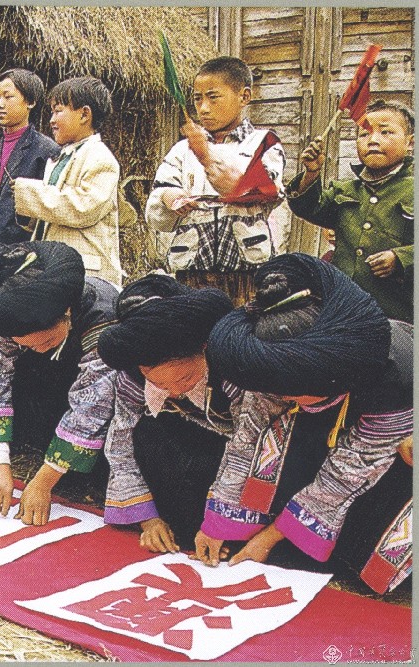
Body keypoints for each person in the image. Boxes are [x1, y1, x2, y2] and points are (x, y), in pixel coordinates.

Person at [197, 253, 412, 594]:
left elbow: (346, 473)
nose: (283, 399)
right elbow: (247, 436)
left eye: (294, 395)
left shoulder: (394, 378)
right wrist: (216, 522)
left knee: (377, 535)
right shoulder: (281, 360)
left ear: (331, 379)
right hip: (343, 422)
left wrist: (268, 538)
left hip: (397, 438)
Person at [0, 240, 119, 525]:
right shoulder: (9, 313)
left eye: (47, 341)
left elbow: (93, 405)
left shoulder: (103, 316)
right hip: (53, 384)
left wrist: (42, 482)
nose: (38, 349)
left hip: (102, 393)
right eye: (27, 345)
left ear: (68, 314)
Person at [96, 274, 245, 552]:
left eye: (186, 378)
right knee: (145, 436)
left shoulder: (231, 369)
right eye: (161, 384)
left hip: (231, 449)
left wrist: (218, 523)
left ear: (203, 349)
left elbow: (247, 448)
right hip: (174, 443)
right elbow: (120, 445)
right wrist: (148, 520)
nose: (174, 392)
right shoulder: (131, 377)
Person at [145, 57, 286, 305]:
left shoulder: (264, 143)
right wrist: (173, 200)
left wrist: (205, 155)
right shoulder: (181, 150)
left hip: (247, 272)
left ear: (244, 97)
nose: (203, 108)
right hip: (192, 270)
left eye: (213, 97)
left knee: (241, 336)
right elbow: (159, 198)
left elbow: (251, 189)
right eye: (198, 99)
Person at [287, 100, 413, 322]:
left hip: (395, 314)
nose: (373, 140)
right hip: (341, 309)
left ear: (410, 143)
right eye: (364, 134)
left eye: (386, 132)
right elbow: (309, 208)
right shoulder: (345, 189)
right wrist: (311, 174)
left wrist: (400, 258)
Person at [12, 77, 131, 286]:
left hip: (86, 273)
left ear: (84, 114)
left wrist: (29, 193)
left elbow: (82, 208)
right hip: (53, 267)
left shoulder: (100, 158)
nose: (51, 120)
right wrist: (26, 214)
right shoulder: (60, 157)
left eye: (58, 111)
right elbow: (51, 216)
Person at [0, 68, 60, 259]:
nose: (0, 104)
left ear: (30, 102)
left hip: (19, 254)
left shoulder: (46, 150)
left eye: (8, 97)